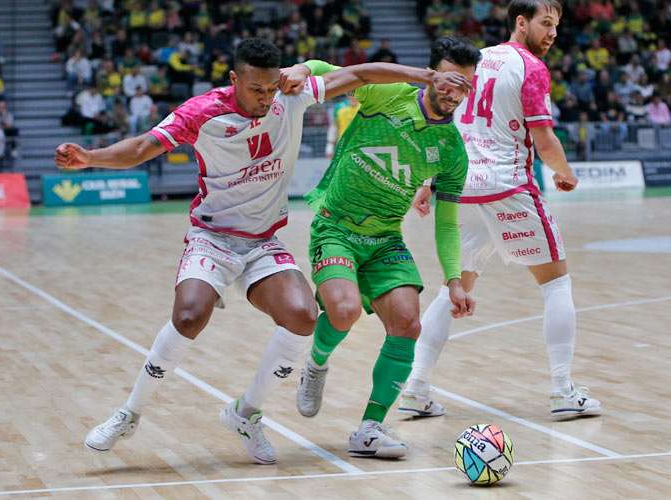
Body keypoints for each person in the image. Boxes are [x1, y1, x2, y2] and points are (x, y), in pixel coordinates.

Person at [55, 38, 471, 465]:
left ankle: (246, 413)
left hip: (264, 243)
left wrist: (412, 76)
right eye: (256, 89)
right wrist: (91, 158)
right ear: (235, 79)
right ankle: (129, 413)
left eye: (271, 87)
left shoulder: (288, 97)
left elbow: (359, 74)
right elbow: (143, 148)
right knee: (189, 315)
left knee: (305, 316)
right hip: (213, 237)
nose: (265, 97)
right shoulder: (202, 113)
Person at [402, 0, 602, 420]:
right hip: (508, 186)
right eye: (545, 24)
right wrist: (565, 173)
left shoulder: (476, 61)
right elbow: (544, 140)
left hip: (462, 189)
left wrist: (426, 181)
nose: (551, 33)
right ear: (521, 22)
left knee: (454, 286)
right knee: (556, 284)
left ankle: (416, 387)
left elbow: (445, 120)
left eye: (556, 26)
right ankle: (563, 389)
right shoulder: (530, 67)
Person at [283, 36, 478, 459]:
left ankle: (370, 428)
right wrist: (304, 69)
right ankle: (316, 364)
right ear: (430, 75)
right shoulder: (388, 93)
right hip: (336, 229)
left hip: (387, 239)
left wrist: (455, 280)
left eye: (463, 84)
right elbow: (340, 72)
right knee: (345, 310)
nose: (453, 90)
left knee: (409, 323)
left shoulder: (452, 151)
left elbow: (446, 222)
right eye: (447, 79)